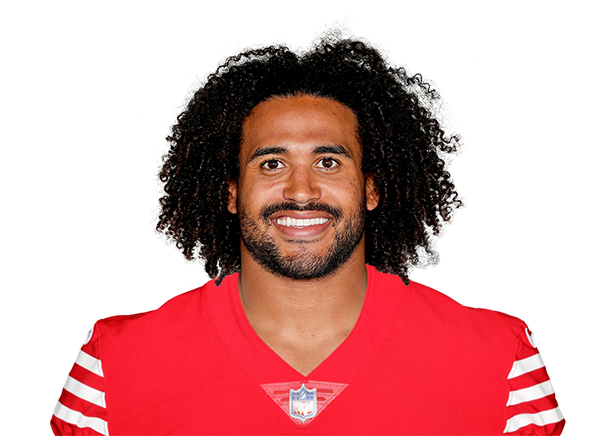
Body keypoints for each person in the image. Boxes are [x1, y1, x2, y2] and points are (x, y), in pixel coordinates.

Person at [50, 22, 566, 435]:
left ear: (372, 188)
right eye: (272, 164)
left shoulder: (499, 361)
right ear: (231, 192)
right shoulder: (113, 367)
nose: (301, 191)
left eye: (328, 162)